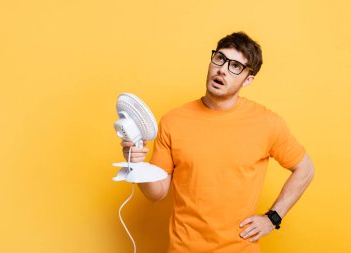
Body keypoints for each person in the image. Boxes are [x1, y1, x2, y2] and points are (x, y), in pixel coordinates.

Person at [120, 32, 315, 253]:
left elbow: (305, 168)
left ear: (248, 79)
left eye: (235, 66)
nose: (222, 69)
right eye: (220, 58)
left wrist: (273, 218)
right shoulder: (173, 121)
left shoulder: (267, 123)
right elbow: (157, 193)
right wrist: (136, 165)